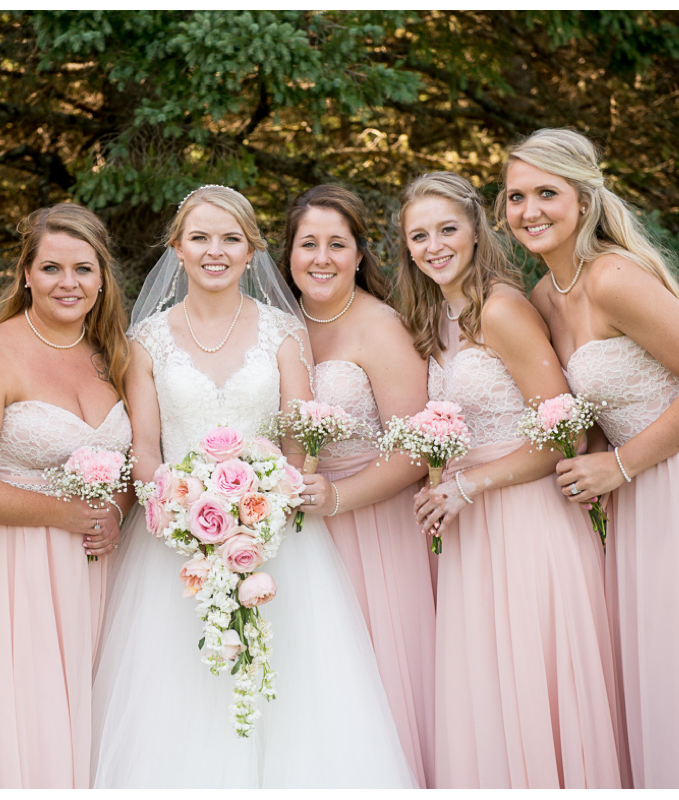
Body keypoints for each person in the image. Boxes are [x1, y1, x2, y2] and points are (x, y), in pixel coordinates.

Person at [91, 185, 417, 789]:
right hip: (175, 544)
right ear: (177, 249)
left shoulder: (283, 332)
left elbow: (299, 436)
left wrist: (269, 504)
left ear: (251, 251)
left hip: (277, 538)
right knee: (181, 685)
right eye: (201, 238)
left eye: (231, 239)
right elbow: (145, 447)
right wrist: (176, 509)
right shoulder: (147, 341)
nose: (215, 251)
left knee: (291, 686)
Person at [500, 128, 679, 789]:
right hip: (637, 490)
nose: (528, 210)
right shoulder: (541, 297)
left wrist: (617, 468)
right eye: (514, 197)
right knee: (662, 667)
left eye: (546, 193)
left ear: (584, 199)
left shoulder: (614, 278)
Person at [398, 171, 624, 788]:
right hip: (474, 527)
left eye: (448, 229)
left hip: (527, 521)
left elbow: (564, 436)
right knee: (489, 692)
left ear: (477, 229)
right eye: (419, 235)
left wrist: (468, 486)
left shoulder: (501, 308)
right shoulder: (438, 318)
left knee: (533, 681)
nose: (434, 245)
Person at [0, 203, 131, 788]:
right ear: (25, 274)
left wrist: (115, 512)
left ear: (102, 277)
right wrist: (67, 515)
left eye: (83, 269)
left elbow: (129, 459)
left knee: (87, 721)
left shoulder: (112, 355)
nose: (68, 284)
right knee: (16, 726)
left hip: (95, 570)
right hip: (7, 572)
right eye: (51, 268)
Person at [278, 184, 435, 786]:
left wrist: (338, 498)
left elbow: (417, 449)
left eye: (336, 244)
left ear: (359, 255)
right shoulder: (274, 326)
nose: (321, 258)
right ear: (288, 253)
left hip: (371, 531)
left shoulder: (380, 327)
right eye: (308, 243)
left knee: (377, 683)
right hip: (294, 539)